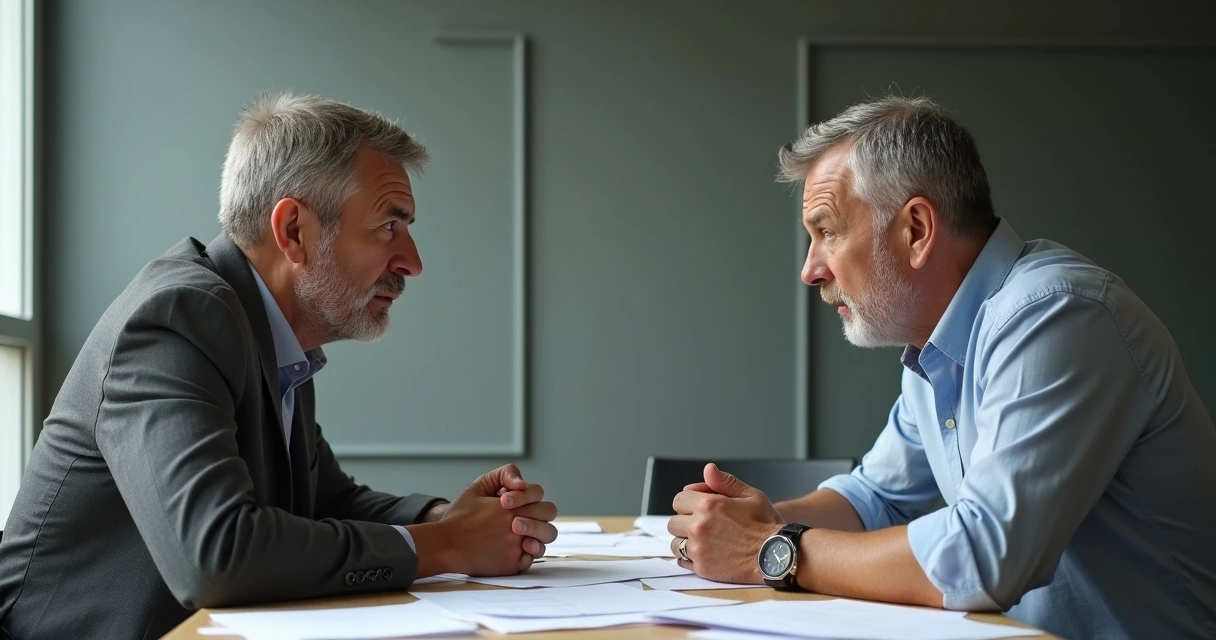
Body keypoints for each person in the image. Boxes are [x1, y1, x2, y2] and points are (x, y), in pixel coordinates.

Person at [0, 92, 558, 640]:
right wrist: (452, 546)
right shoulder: (177, 319)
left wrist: (444, 518)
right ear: (293, 230)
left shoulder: (269, 331)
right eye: (390, 226)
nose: (412, 261)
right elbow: (215, 555)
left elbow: (326, 500)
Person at [668, 96, 1216, 639]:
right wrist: (753, 526)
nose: (810, 270)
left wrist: (768, 549)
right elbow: (874, 500)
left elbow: (982, 558)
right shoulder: (938, 346)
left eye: (827, 231)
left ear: (917, 229)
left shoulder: (1058, 315)